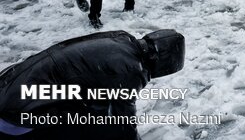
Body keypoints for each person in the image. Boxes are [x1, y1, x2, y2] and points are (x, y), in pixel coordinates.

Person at [0, 29, 184, 140]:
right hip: (17, 114)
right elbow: (121, 125)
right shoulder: (130, 71)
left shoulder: (122, 40)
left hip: (10, 82)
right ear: (163, 64)